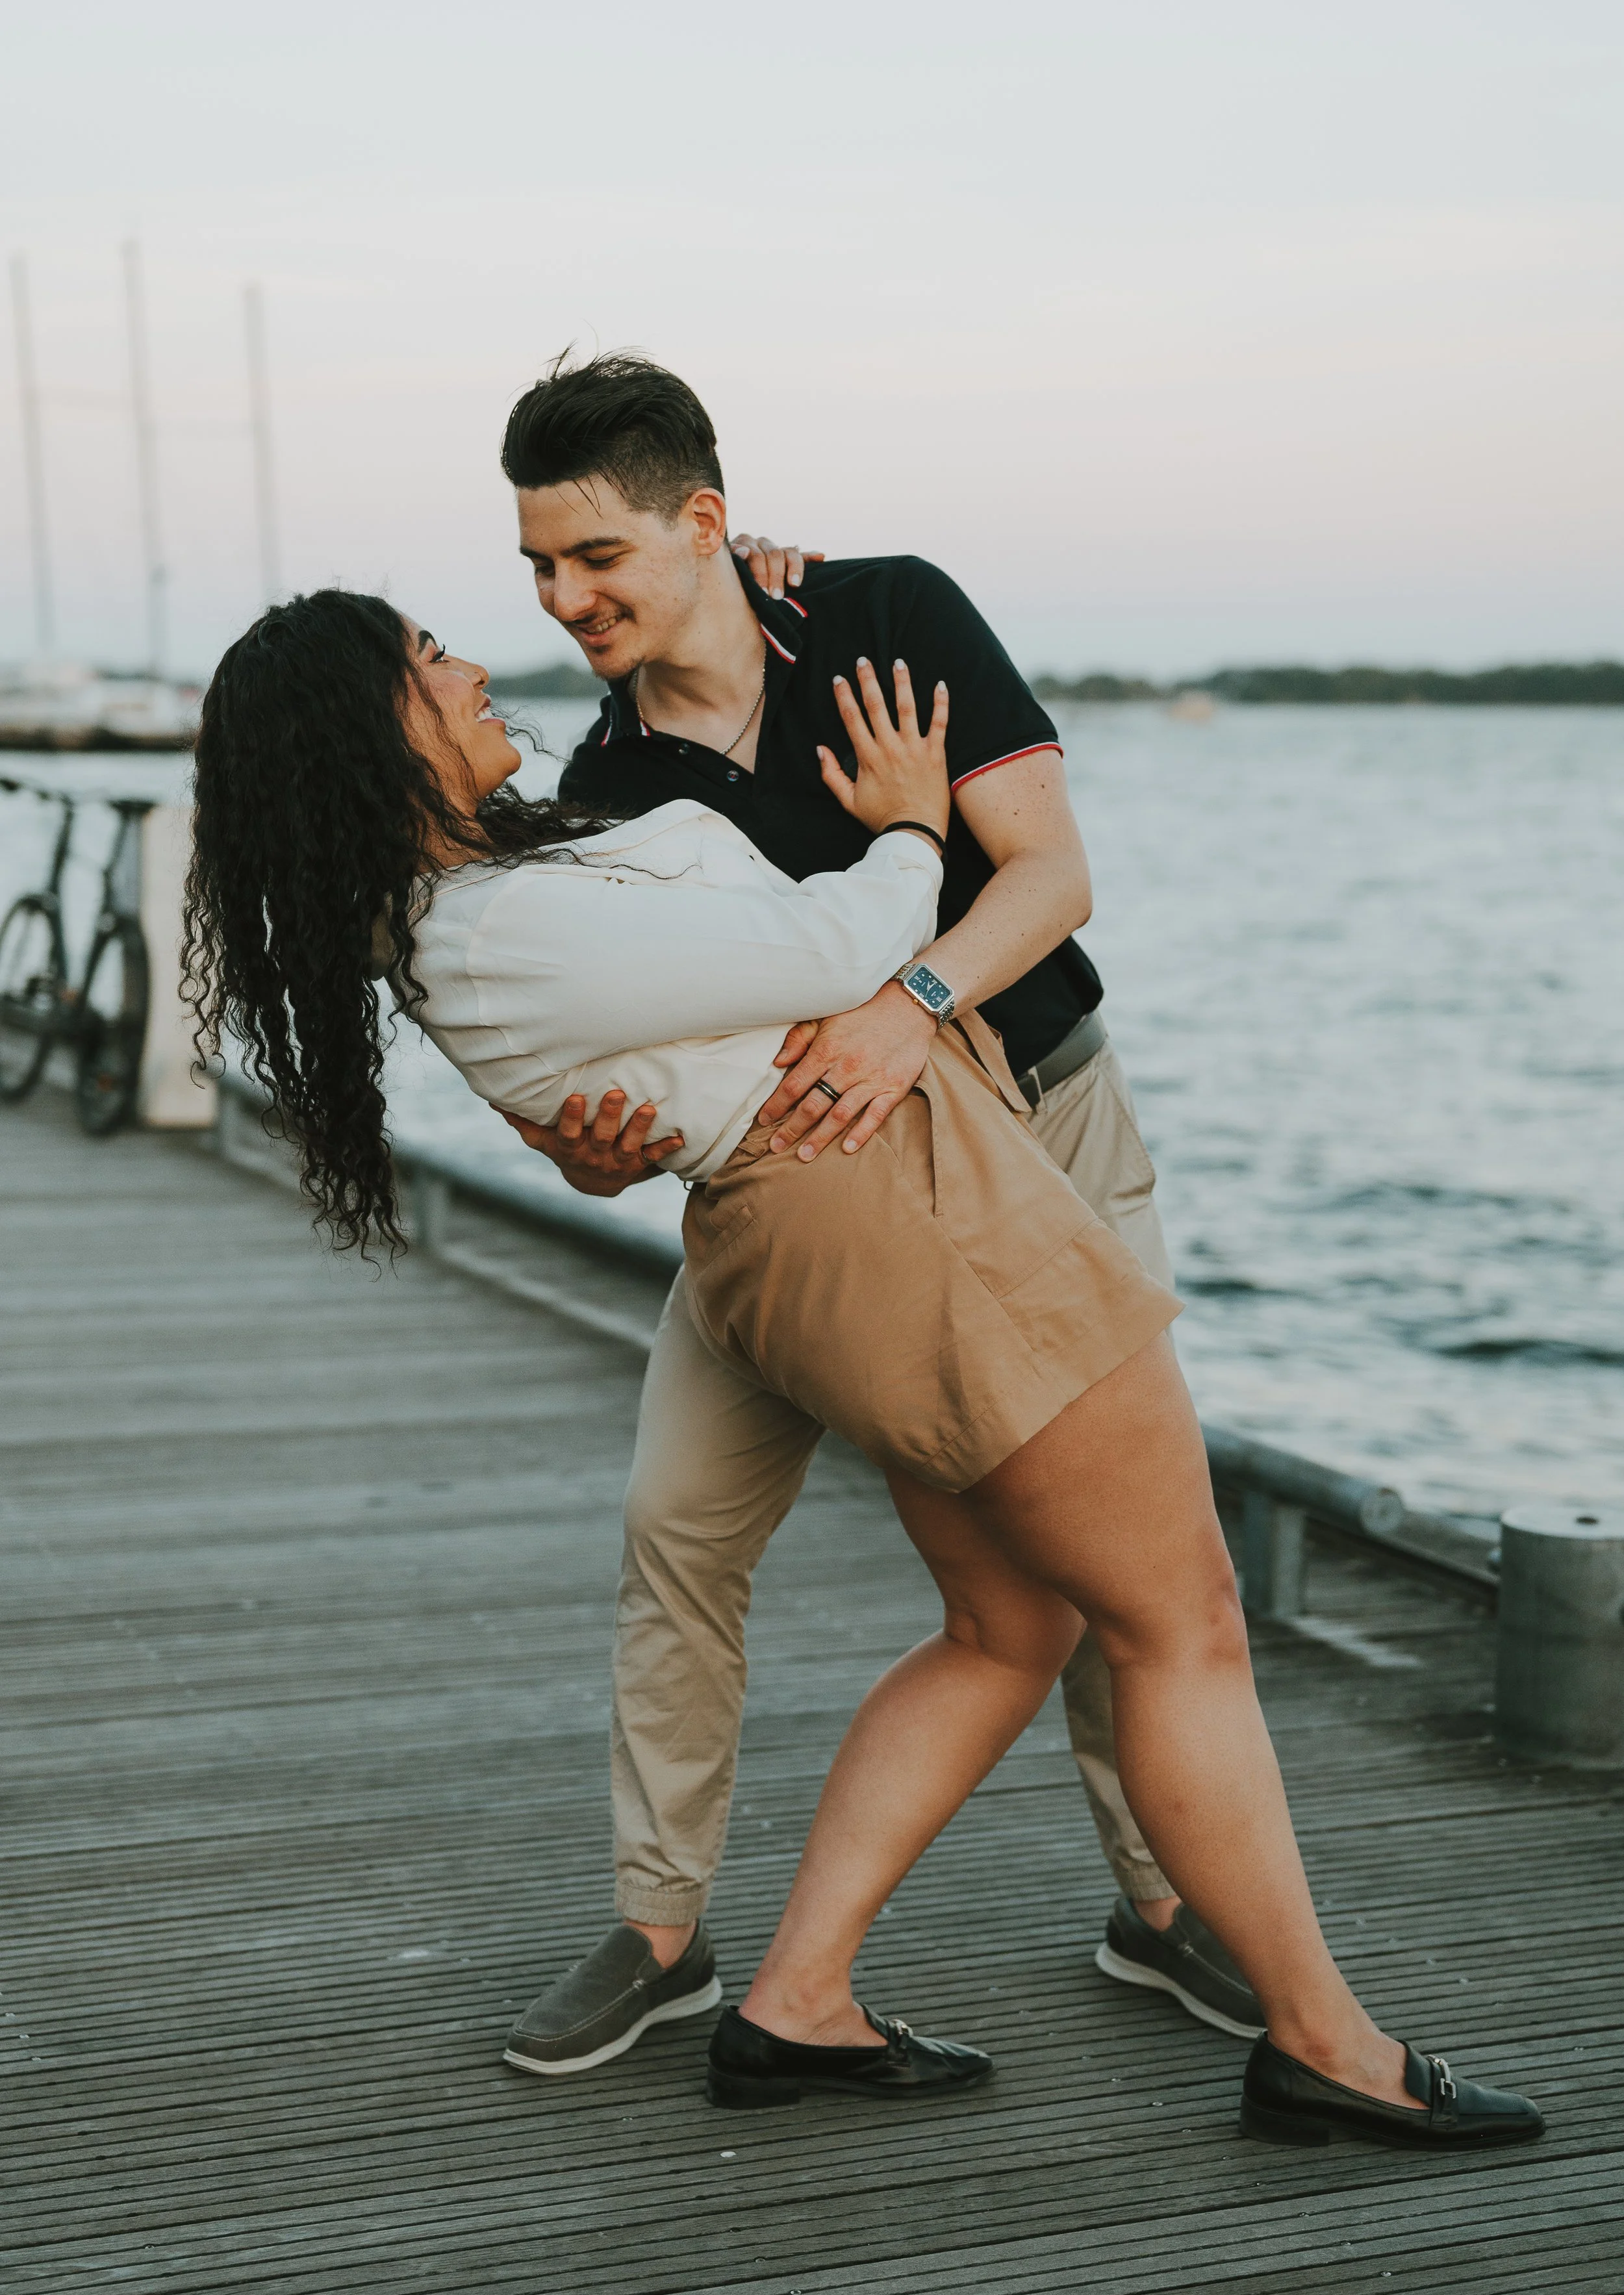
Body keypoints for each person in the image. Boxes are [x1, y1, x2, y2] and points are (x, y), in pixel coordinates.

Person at [182, 584, 1542, 2153]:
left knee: (1008, 1621)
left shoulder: (505, 877)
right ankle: (1326, 2043)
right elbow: (833, 941)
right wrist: (908, 826)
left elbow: (707, 986)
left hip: (867, 1201)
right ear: (373, 735)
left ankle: (796, 2001)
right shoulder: (493, 925)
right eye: (431, 659)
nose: (482, 658)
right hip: (898, 1210)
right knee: (1185, 1624)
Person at [488, 351, 1259, 2072]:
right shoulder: (606, 791)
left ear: (701, 522)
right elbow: (610, 1072)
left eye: (596, 555)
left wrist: (908, 996)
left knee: (1107, 1538)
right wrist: (588, 1157)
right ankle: (657, 1928)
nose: (565, 599)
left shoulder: (882, 611)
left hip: (1043, 1118)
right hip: (793, 1198)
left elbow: (1050, 872)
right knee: (674, 1532)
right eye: (537, 566)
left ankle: (1162, 1904)